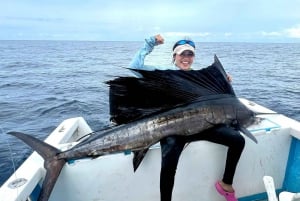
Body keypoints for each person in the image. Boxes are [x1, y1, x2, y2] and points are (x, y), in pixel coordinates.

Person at [129, 34, 245, 201]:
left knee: (238, 140)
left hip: (201, 125)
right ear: (174, 56)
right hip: (173, 128)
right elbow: (135, 67)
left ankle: (226, 184)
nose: (186, 58)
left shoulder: (200, 77)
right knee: (169, 163)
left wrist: (224, 83)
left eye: (190, 55)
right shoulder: (164, 72)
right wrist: (150, 43)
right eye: (182, 54)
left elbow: (217, 100)